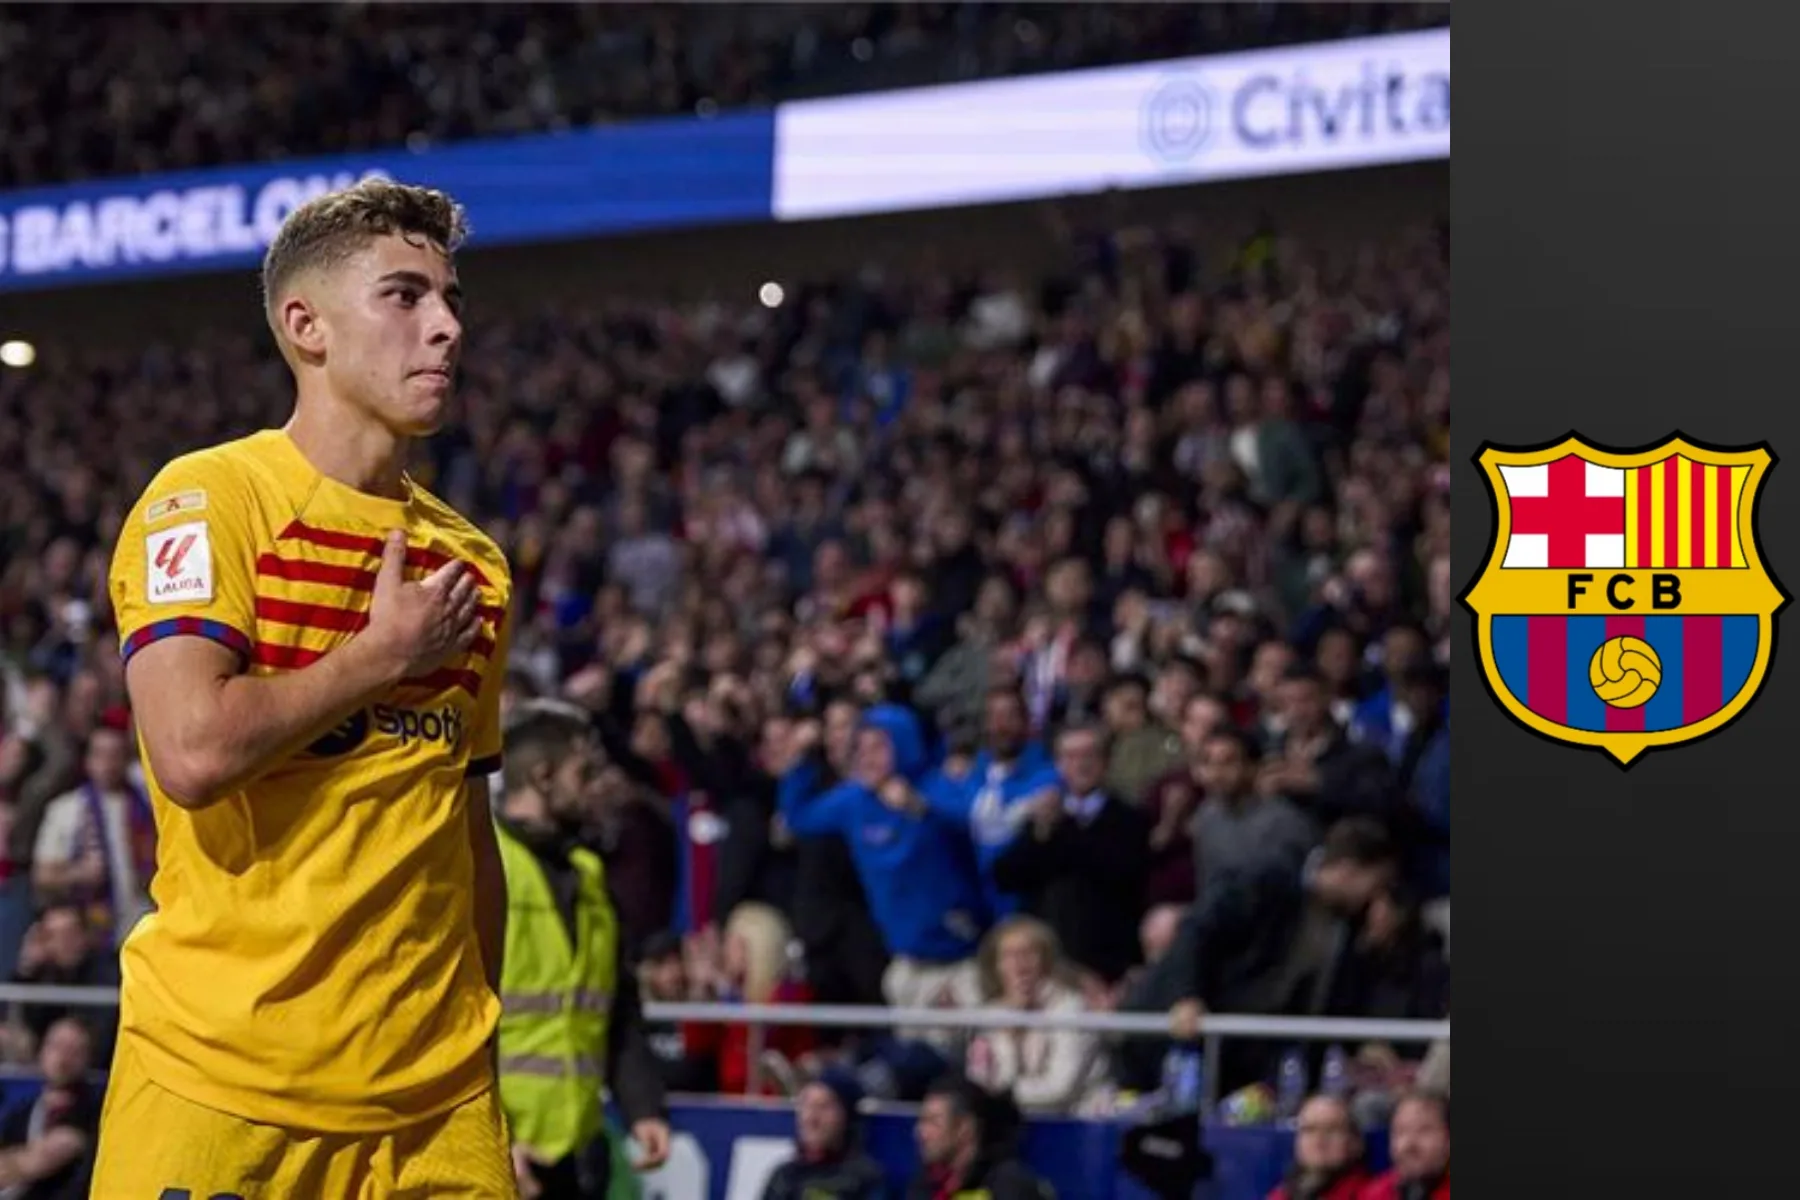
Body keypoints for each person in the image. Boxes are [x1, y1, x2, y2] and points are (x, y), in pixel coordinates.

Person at [90, 179, 519, 1196]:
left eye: (450, 299)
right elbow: (193, 753)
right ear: (305, 326)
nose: (447, 327)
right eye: (405, 296)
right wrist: (377, 659)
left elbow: (466, 828)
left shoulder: (473, 563)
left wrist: (483, 1047)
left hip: (438, 1106)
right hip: (222, 1084)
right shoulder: (205, 502)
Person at [494, 701, 672, 1198]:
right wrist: (491, 1135)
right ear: (542, 776)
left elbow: (617, 1010)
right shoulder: (485, 865)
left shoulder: (590, 876)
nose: (596, 786)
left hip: (577, 1152)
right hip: (503, 1152)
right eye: (584, 772)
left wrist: (644, 1107)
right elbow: (445, 1021)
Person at [907, 1073, 1054, 1200]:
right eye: (922, 1121)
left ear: (964, 1128)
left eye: (933, 1122)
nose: (919, 1132)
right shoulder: (925, 1185)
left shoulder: (1008, 1185)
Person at [0, 1017, 99, 1200]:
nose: (63, 1058)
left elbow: (42, 1159)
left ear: (87, 1058)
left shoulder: (91, 1110)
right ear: (42, 1050)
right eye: (56, 1046)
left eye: (74, 1050)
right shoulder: (22, 1112)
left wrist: (14, 1163)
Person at [760, 1068, 886, 1200]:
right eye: (806, 1106)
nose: (811, 1118)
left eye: (823, 1107)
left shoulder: (865, 1180)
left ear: (846, 1117)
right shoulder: (784, 1177)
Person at [1266, 1094, 1371, 1200]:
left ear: (1355, 1143)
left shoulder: (1371, 1194)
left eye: (1331, 1130)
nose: (1318, 1140)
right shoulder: (1280, 1195)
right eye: (1309, 1130)